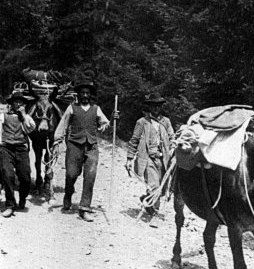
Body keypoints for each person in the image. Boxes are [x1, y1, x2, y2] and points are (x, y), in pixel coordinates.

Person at [52, 81, 119, 222]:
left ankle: (84, 208)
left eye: (87, 93)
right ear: (78, 94)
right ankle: (68, 193)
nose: (85, 95)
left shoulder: (96, 109)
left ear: (90, 95)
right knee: (71, 174)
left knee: (90, 176)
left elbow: (105, 125)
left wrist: (112, 120)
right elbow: (63, 125)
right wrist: (57, 141)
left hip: (92, 147)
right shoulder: (72, 108)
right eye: (82, 93)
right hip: (74, 145)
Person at [125, 93, 174, 215]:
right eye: (153, 105)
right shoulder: (142, 122)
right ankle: (155, 212)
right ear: (149, 107)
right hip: (148, 159)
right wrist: (129, 159)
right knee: (154, 186)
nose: (156, 108)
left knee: (162, 188)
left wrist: (173, 148)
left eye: (158, 105)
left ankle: (146, 200)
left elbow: (172, 137)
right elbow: (134, 140)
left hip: (163, 160)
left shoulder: (166, 122)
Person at [0, 91, 36, 218]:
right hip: (6, 148)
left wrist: (24, 115)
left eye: (21, 102)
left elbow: (31, 128)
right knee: (8, 175)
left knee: (25, 177)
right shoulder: (3, 116)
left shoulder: (26, 118)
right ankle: (10, 205)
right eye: (16, 102)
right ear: (11, 103)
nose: (18, 104)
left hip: (21, 148)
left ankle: (22, 198)